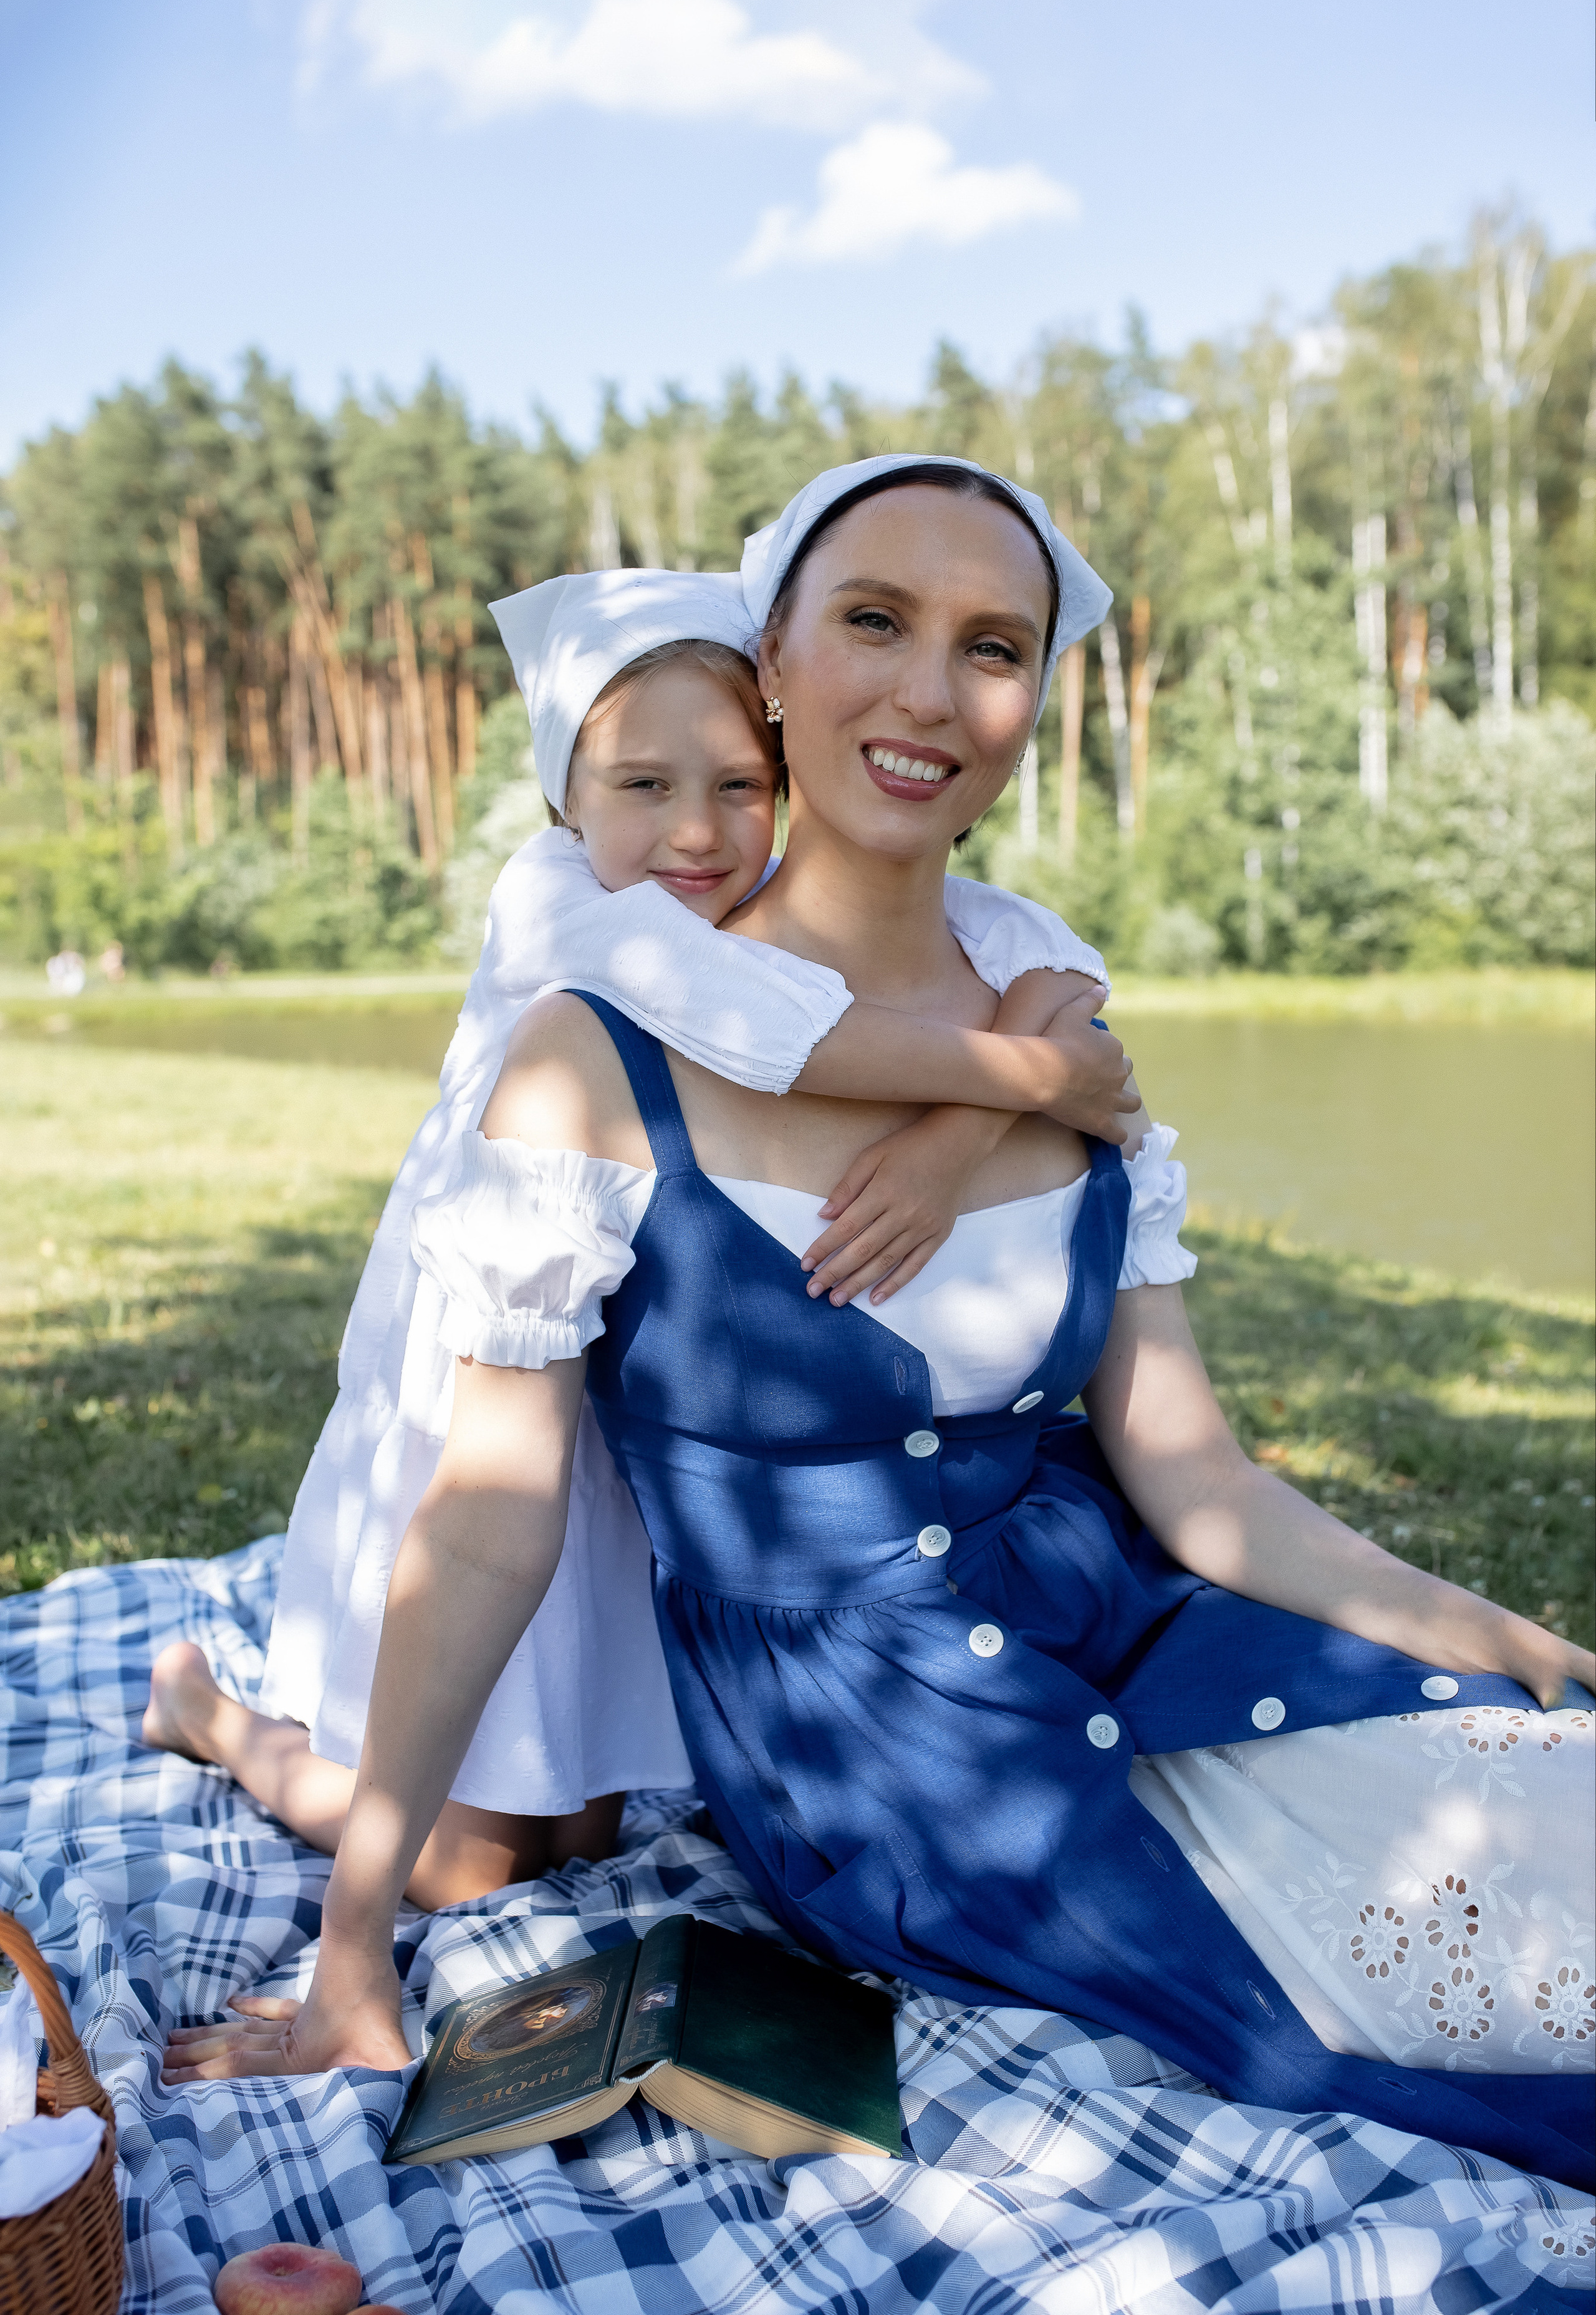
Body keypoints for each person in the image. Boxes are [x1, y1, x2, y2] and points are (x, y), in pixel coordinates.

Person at [161, 458, 1594, 2192]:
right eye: (873, 621)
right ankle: (233, 1725)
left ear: (1034, 705)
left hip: (1140, 1625)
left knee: (1536, 1790)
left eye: (992, 647)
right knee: (1450, 1992)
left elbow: (1198, 1478)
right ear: (770, 658)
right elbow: (486, 1519)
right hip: (892, 1758)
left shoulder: (1058, 1023)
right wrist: (353, 1945)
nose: (929, 691)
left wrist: (1472, 1624)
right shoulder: (596, 1052)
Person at [147, 562, 1137, 1906]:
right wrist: (1020, 1087)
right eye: (642, 786)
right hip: (492, 1362)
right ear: (566, 798)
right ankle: (219, 1724)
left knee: (588, 1822)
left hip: (650, 1390)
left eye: (737, 784)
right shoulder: (573, 908)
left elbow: (1052, 969)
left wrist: (950, 1149)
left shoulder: (766, 905)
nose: (696, 833)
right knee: (475, 1864)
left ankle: (548, 1785)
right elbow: (766, 1032)